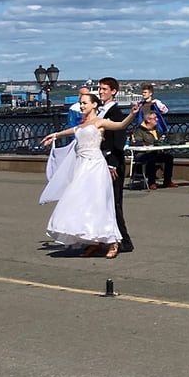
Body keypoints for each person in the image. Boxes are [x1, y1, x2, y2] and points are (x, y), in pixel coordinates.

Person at [41, 94, 139, 258]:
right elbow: (71, 131)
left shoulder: (100, 122)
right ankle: (93, 240)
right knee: (81, 202)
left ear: (94, 105)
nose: (81, 106)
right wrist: (55, 135)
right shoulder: (82, 125)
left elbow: (121, 125)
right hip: (81, 167)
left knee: (100, 204)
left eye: (84, 103)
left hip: (95, 166)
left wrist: (132, 114)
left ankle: (114, 241)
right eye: (80, 103)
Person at [98, 77, 136, 253]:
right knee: (102, 202)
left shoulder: (115, 113)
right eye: (100, 89)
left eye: (105, 89)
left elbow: (119, 140)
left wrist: (112, 164)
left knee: (115, 203)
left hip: (112, 162)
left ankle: (124, 240)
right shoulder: (100, 111)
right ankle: (103, 237)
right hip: (99, 161)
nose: (101, 91)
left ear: (113, 91)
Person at [130, 110, 177, 189]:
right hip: (142, 154)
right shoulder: (139, 130)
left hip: (155, 152)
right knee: (151, 158)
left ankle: (167, 181)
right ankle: (151, 182)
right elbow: (137, 143)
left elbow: (158, 141)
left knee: (169, 157)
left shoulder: (156, 129)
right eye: (155, 118)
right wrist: (146, 144)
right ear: (148, 120)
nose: (157, 119)